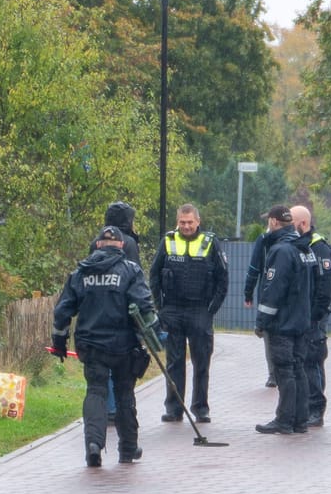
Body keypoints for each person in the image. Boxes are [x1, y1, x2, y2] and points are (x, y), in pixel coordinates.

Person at [50, 225, 159, 467]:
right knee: (124, 394)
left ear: (98, 245)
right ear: (121, 246)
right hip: (124, 346)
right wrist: (154, 337)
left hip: (91, 345)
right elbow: (144, 306)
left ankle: (93, 444)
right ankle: (128, 448)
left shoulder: (80, 272)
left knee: (96, 391)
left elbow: (62, 311)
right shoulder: (131, 270)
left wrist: (59, 342)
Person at [149, 203, 229, 424]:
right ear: (178, 222)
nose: (186, 226)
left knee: (201, 361)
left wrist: (212, 309)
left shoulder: (210, 242)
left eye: (190, 222)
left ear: (198, 221)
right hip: (172, 309)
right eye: (182, 222)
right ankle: (174, 408)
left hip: (200, 310)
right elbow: (154, 275)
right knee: (174, 362)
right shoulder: (168, 241)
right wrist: (160, 306)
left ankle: (200, 408)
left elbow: (223, 279)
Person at [252, 208, 314, 434]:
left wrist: (261, 321)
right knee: (298, 369)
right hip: (301, 322)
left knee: (284, 371)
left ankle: (285, 420)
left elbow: (273, 291)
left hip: (283, 324)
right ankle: (300, 420)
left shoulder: (281, 251)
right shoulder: (303, 248)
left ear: (273, 222)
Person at [91, 200, 141, 420]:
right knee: (121, 366)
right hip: (121, 310)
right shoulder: (128, 243)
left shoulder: (97, 241)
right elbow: (135, 276)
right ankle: (119, 409)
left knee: (101, 368)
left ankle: (105, 408)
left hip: (97, 310)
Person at [293, 204, 331, 427]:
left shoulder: (319, 248)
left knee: (313, 359)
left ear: (302, 224)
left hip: (314, 316)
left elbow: (325, 287)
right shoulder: (297, 245)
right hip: (300, 314)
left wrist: (316, 316)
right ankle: (304, 407)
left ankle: (316, 409)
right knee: (301, 360)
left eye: (292, 223)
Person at [243, 203, 293, 388]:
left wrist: (248, 294)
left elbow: (254, 269)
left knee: (269, 335)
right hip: (292, 300)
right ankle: (285, 371)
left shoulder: (264, 241)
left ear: (273, 221)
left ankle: (273, 374)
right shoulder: (297, 241)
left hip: (268, 293)